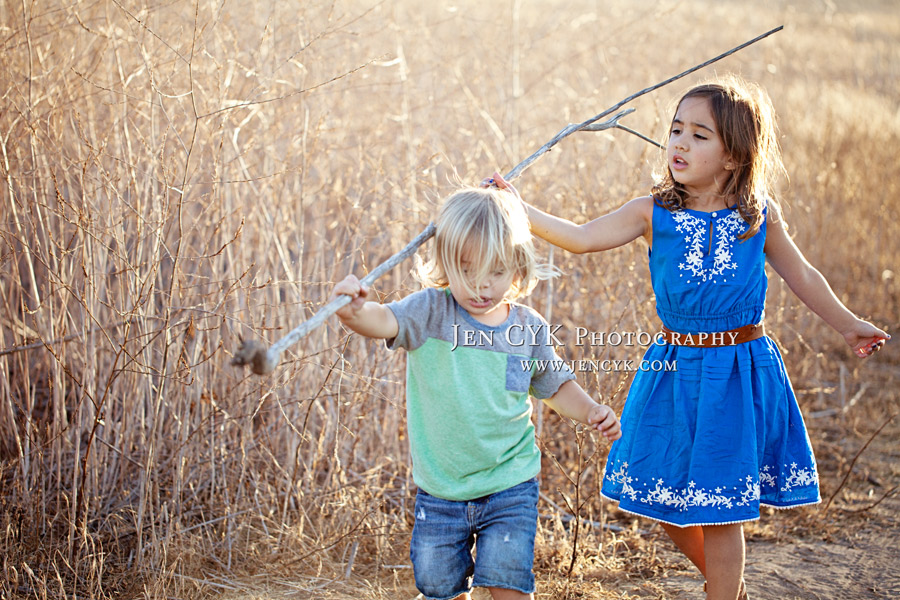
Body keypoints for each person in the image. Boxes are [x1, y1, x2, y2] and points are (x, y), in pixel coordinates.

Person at [484, 75, 889, 600]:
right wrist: (519, 208)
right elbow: (583, 239)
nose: (680, 143)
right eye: (677, 130)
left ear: (734, 157)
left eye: (700, 136)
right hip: (673, 370)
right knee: (656, 493)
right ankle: (729, 587)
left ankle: (723, 592)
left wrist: (847, 323)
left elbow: (804, 276)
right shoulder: (652, 213)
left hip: (738, 371)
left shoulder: (757, 217)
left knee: (721, 509)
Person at [330, 185, 622, 600]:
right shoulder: (430, 312)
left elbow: (555, 386)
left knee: (508, 582)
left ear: (517, 267)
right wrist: (353, 310)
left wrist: (592, 410)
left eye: (496, 272)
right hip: (442, 488)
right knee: (438, 586)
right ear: (445, 260)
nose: (481, 286)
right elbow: (381, 321)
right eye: (467, 270)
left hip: (509, 481)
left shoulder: (526, 327)